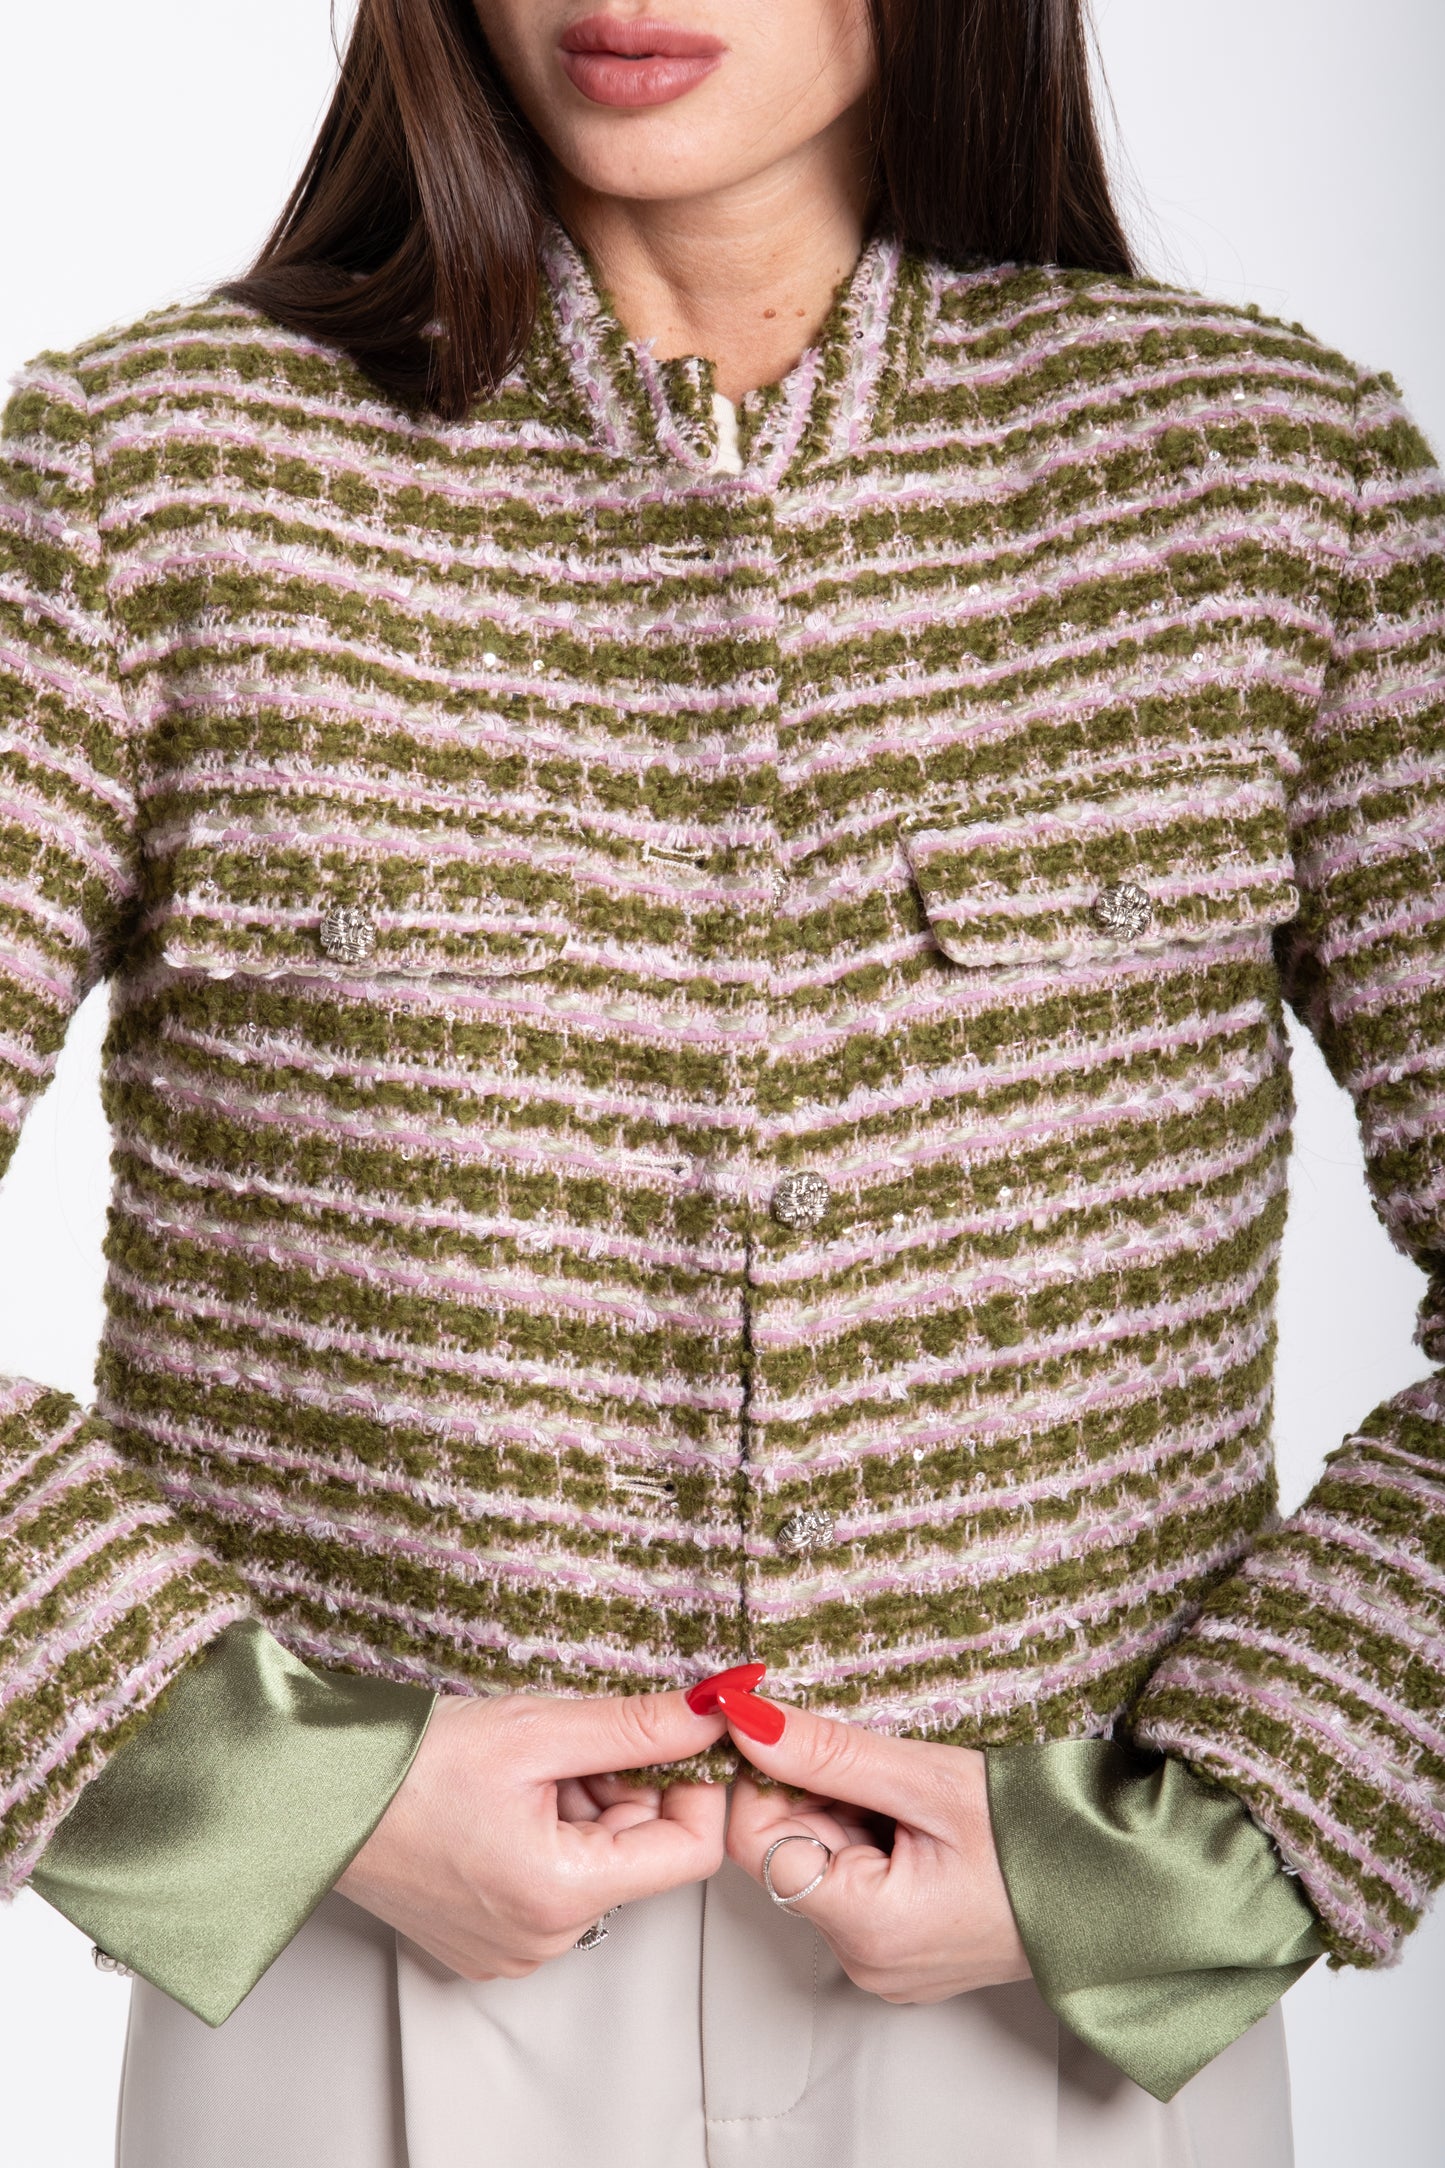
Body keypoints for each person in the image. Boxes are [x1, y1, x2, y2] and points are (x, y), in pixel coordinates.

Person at [2, 2, 1442, 2162]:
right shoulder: (147, 480)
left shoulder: (1266, 484)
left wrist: (1197, 1857)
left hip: (1051, 1984)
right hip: (353, 1970)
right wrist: (261, 1785)